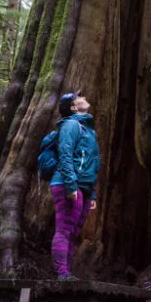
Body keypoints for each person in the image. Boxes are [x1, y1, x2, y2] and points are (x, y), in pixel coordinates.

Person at [50, 90, 100, 280]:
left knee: (73, 232)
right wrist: (71, 186)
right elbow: (65, 154)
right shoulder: (71, 125)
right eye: (80, 98)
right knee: (64, 230)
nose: (85, 99)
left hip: (84, 187)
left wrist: (92, 193)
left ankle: (66, 272)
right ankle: (62, 273)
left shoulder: (88, 129)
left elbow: (91, 164)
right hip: (67, 184)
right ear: (72, 107)